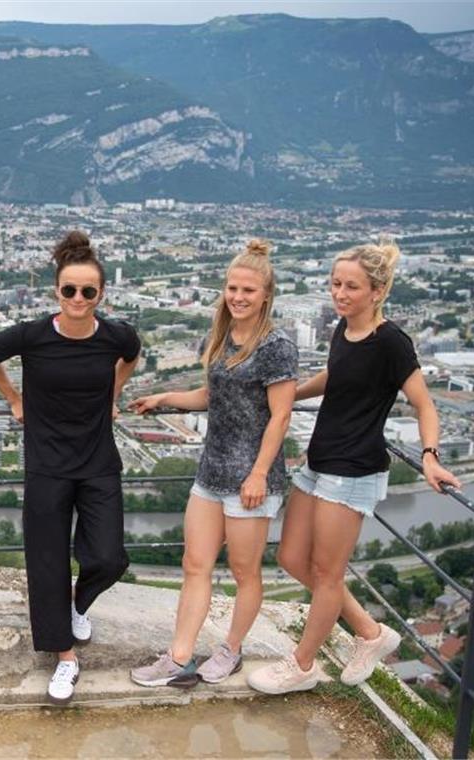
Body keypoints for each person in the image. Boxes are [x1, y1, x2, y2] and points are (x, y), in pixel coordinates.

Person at [247, 237, 461, 694]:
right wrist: (285, 393)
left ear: (377, 292)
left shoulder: (392, 343)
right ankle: (370, 632)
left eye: (352, 287)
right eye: (336, 284)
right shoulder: (342, 330)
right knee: (289, 556)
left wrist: (429, 457)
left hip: (355, 471)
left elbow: (424, 404)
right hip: (319, 462)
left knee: (328, 574)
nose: (340, 294)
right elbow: (334, 377)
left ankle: (301, 665)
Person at [0, 230, 141, 705]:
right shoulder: (31, 335)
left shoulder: (114, 336)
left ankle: (78, 603)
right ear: (57, 291)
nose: (78, 299)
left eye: (88, 291)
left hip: (97, 461)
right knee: (46, 561)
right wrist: (13, 397)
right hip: (46, 462)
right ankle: (65, 656)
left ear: (101, 294)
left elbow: (132, 355)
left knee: (108, 556)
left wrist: (113, 394)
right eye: (70, 289)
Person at [127, 239, 298, 687]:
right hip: (211, 471)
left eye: (248, 290)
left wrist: (259, 473)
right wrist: (166, 398)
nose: (238, 297)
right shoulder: (219, 337)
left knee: (244, 572)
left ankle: (231, 650)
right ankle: (178, 656)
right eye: (231, 288)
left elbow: (281, 414)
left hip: (251, 478)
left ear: (266, 295)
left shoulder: (277, 345)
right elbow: (212, 396)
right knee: (194, 564)